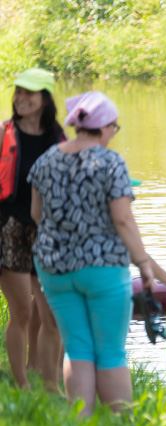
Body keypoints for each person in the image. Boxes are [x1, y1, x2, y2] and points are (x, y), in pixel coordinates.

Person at [28, 91, 166, 417]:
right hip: (103, 268)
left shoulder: (46, 160)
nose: (112, 135)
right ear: (103, 127)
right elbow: (122, 219)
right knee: (110, 351)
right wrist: (144, 264)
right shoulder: (111, 162)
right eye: (114, 128)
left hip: (55, 268)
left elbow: (36, 214)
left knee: (77, 349)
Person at [0, 68, 65, 392]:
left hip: (48, 232)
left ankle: (45, 376)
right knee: (22, 310)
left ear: (45, 99)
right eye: (18, 92)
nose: (21, 98)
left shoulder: (59, 138)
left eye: (30, 93)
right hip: (9, 229)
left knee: (50, 310)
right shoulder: (3, 134)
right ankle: (22, 384)